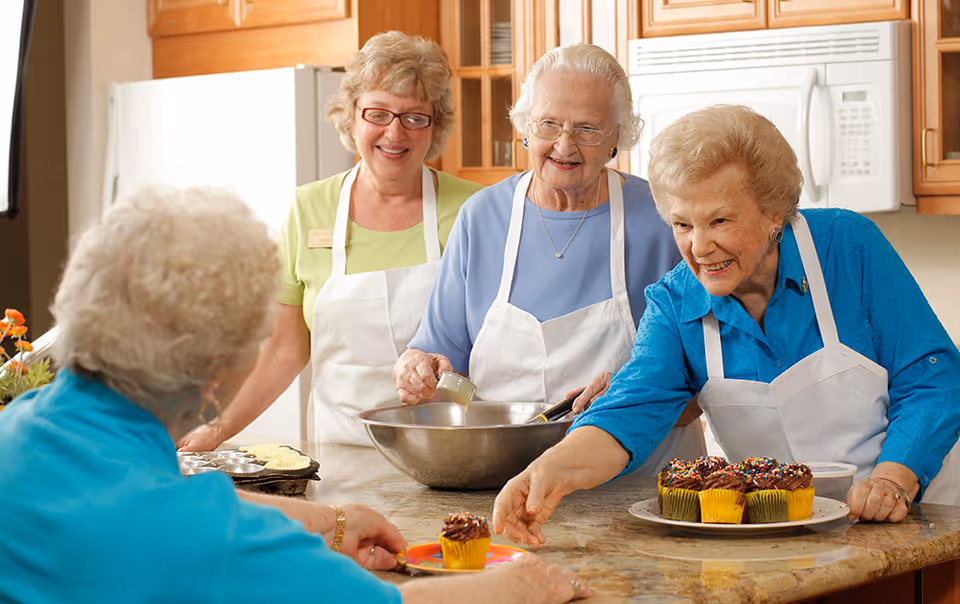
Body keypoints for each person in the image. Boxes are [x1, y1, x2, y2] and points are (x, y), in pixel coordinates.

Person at [0, 187, 588, 604]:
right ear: (213, 375)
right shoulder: (209, 540)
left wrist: (329, 522)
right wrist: (523, 585)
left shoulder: (21, 429)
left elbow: (164, 489)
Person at [492, 104, 960, 546]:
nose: (699, 247)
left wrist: (892, 479)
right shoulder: (676, 303)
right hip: (786, 539)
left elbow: (931, 377)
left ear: (774, 212)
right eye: (681, 225)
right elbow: (628, 411)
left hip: (926, 514)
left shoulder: (847, 247)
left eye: (719, 220)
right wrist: (546, 472)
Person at [392, 44, 705, 473]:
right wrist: (417, 367)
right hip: (503, 482)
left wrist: (634, 395)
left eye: (588, 129)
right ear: (524, 127)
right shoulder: (482, 217)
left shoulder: (664, 220)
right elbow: (439, 355)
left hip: (642, 491)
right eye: (548, 124)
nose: (564, 145)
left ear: (618, 136)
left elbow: (707, 384)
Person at [177, 31, 482, 451]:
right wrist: (215, 431)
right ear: (351, 116)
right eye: (378, 114)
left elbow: (492, 347)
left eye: (414, 117)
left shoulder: (473, 209)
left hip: (447, 455)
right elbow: (285, 351)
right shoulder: (308, 209)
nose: (395, 134)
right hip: (338, 454)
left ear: (435, 125)